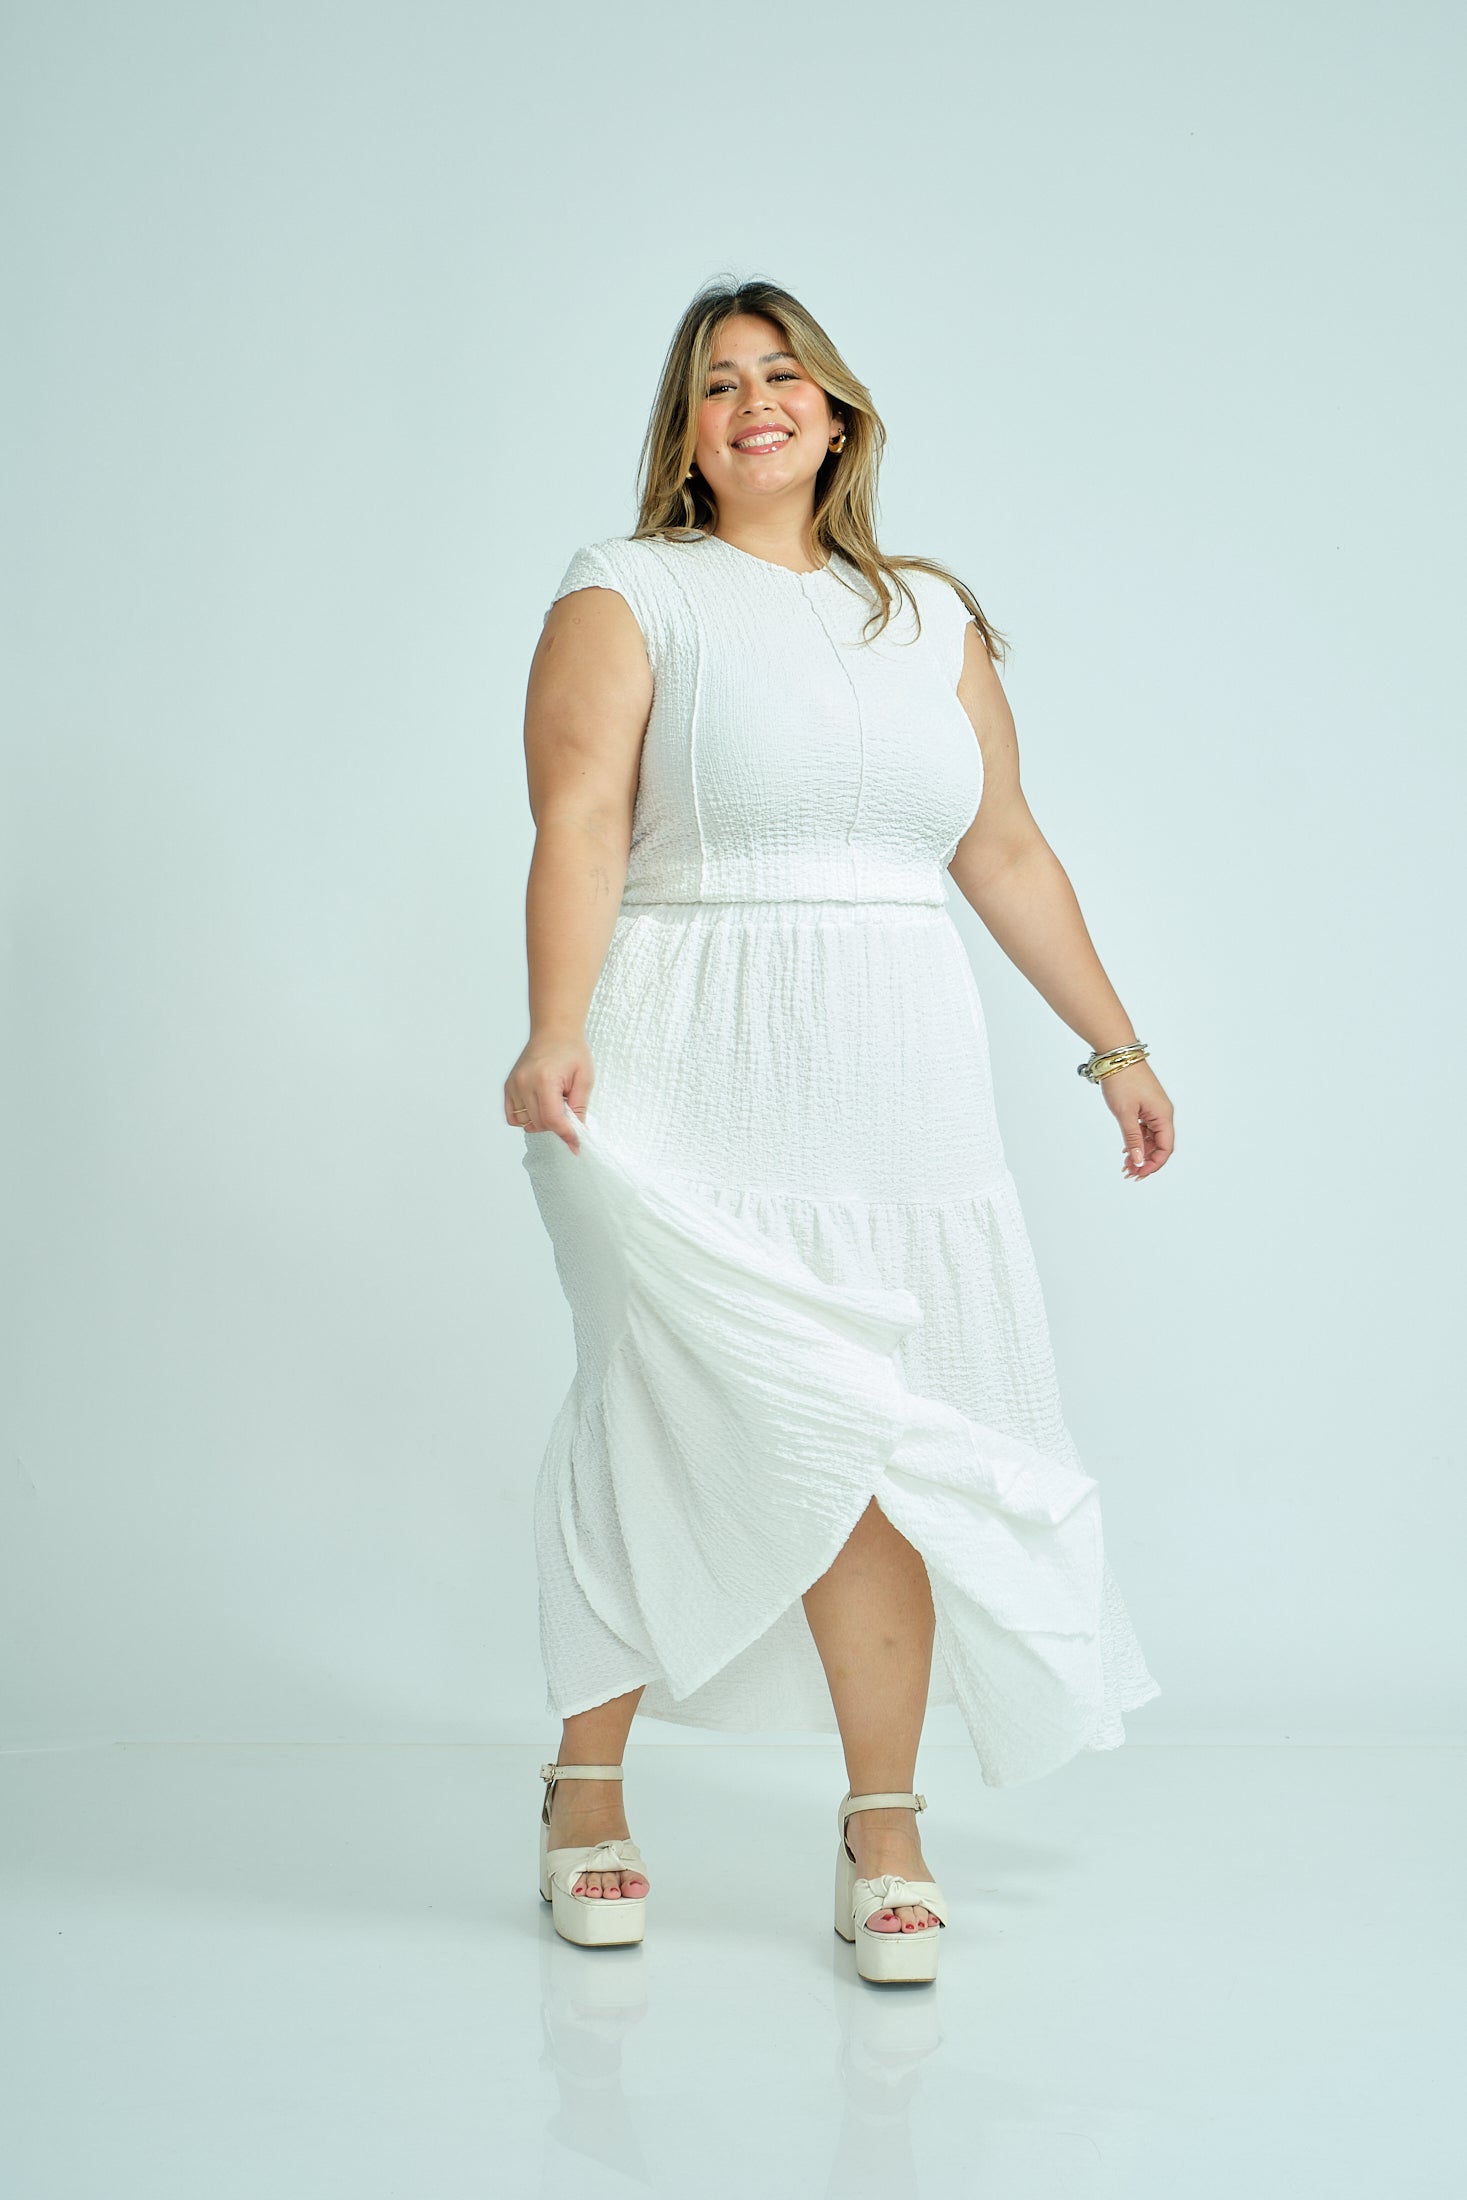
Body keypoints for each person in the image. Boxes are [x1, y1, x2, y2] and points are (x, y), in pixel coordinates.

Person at [505, 277, 1172, 1981]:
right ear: (687, 432)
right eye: (719, 382)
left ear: (839, 411)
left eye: (784, 374)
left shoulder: (930, 617)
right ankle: (588, 1793)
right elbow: (580, 819)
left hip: (896, 1074)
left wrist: (1112, 1047)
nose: (757, 402)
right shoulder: (627, 591)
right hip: (683, 1050)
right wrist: (556, 1027)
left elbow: (1003, 848)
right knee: (656, 1416)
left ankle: (885, 1826)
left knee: (890, 1433)